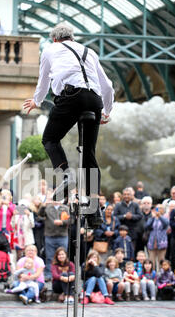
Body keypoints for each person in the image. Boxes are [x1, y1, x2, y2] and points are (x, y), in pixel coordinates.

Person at [23, 22, 114, 226]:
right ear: (71, 38)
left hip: (71, 97)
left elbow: (43, 79)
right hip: (94, 100)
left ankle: (65, 176)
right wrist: (107, 110)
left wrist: (37, 100)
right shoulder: (89, 52)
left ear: (54, 39)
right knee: (89, 153)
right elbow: (107, 85)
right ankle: (94, 210)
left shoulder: (50, 49)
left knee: (50, 139)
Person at [38, 198, 70, 281]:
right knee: (49, 256)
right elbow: (40, 215)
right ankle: (48, 274)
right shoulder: (48, 208)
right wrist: (43, 206)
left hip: (62, 235)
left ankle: (63, 273)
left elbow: (71, 220)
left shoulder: (66, 208)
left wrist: (62, 222)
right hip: (50, 235)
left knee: (63, 256)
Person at [145, 204, 169, 271]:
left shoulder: (164, 217)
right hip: (152, 241)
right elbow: (147, 226)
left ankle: (162, 275)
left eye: (160, 208)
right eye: (157, 208)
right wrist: (153, 218)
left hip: (161, 242)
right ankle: (152, 275)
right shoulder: (152, 218)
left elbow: (166, 224)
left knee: (161, 260)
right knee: (151, 260)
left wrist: (160, 216)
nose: (158, 210)